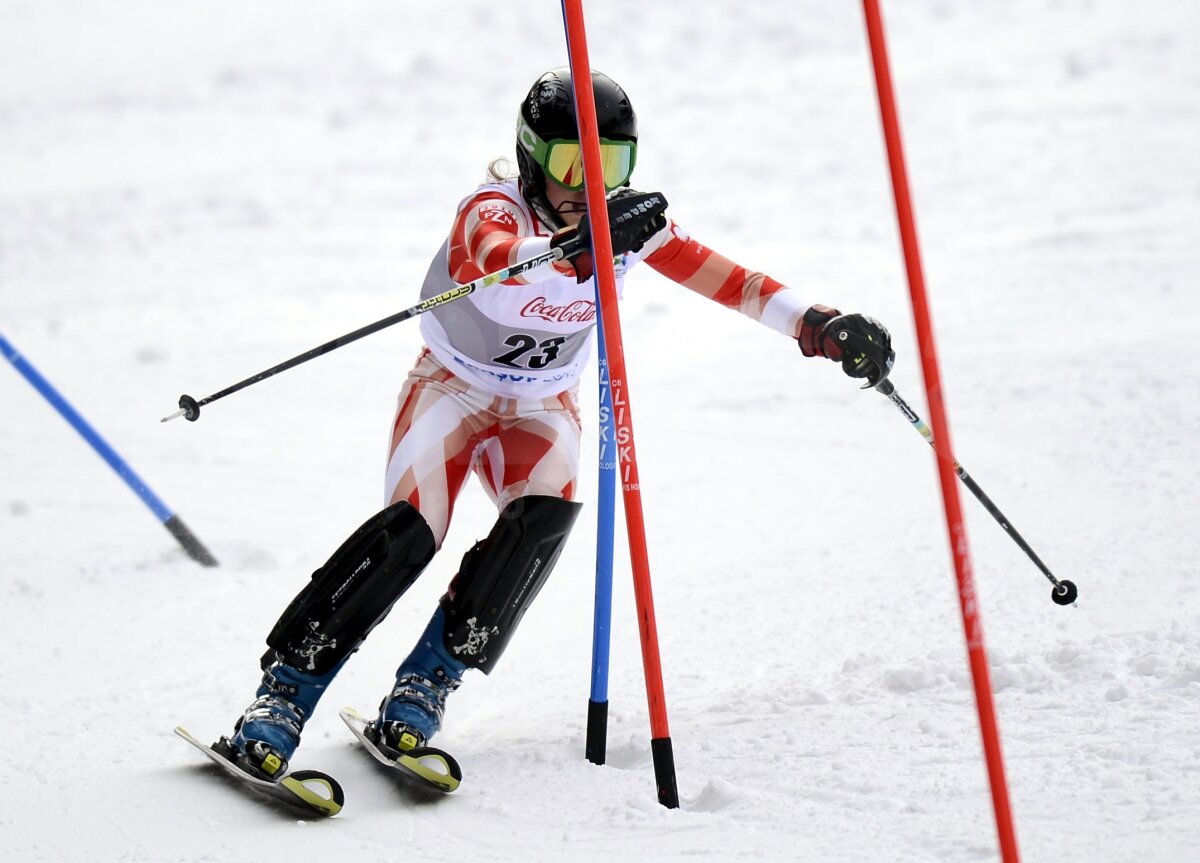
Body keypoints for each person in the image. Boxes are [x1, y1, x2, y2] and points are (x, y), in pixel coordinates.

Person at [222, 67, 893, 781]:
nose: (589, 184)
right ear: (531, 157)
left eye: (612, 164)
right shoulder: (493, 208)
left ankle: (426, 685)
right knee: (411, 533)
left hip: (542, 404)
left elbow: (733, 281)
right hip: (450, 389)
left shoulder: (628, 223)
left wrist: (816, 324)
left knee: (539, 525)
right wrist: (577, 251)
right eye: (573, 162)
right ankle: (282, 699)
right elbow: (501, 261)